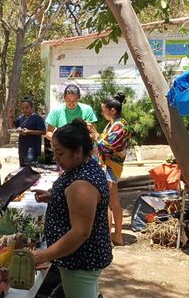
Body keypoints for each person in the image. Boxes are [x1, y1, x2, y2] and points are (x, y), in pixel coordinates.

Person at [32, 119, 112, 298]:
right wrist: (54, 198)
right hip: (77, 258)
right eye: (54, 152)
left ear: (78, 151)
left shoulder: (82, 184)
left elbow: (80, 232)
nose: (56, 158)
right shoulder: (84, 166)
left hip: (80, 261)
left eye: (60, 153)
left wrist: (44, 255)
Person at [91, 93, 131, 246]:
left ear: (112, 110)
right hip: (108, 165)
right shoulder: (114, 123)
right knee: (113, 201)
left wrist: (95, 134)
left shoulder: (121, 126)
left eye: (103, 110)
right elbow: (105, 141)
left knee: (108, 202)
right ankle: (116, 236)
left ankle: (108, 238)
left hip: (111, 166)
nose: (102, 113)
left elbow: (107, 147)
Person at [45, 85, 97, 164]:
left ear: (79, 98)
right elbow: (48, 133)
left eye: (74, 100)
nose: (71, 103)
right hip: (64, 154)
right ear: (64, 98)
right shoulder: (56, 111)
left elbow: (93, 133)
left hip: (82, 153)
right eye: (68, 100)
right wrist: (61, 142)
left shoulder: (87, 110)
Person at [8, 98, 46, 165]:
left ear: (31, 107)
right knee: (22, 171)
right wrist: (11, 116)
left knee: (30, 172)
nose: (24, 110)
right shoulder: (21, 117)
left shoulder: (37, 118)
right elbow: (12, 127)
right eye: (23, 108)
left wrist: (29, 131)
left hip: (32, 150)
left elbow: (43, 131)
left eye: (26, 108)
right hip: (22, 149)